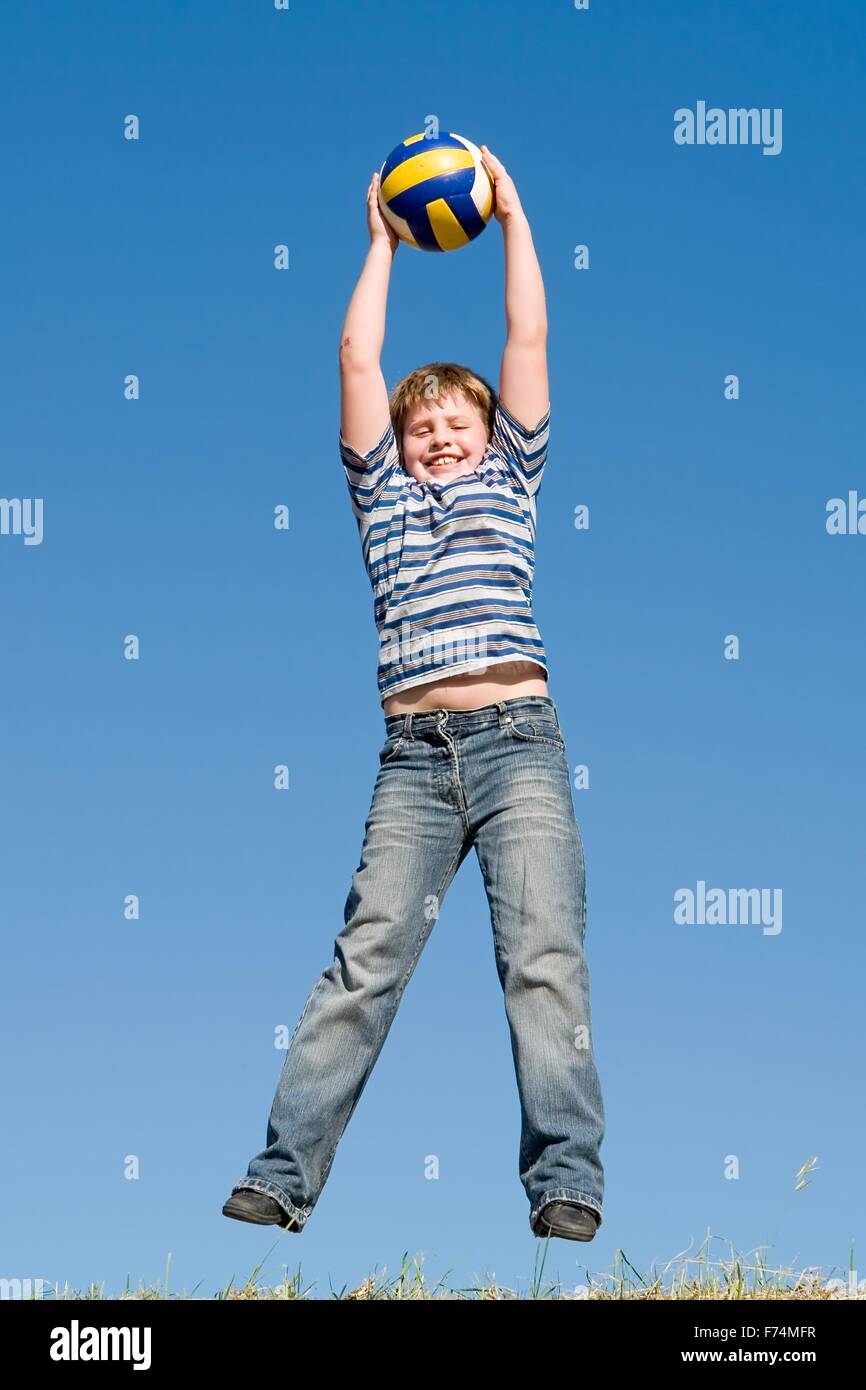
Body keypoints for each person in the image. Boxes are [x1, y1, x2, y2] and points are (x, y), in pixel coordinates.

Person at [223, 145, 605, 1241]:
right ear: (398, 442)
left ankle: (566, 1182)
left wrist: (516, 216)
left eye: (458, 423)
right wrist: (382, 242)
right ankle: (281, 1174)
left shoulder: (511, 478)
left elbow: (524, 338)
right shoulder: (380, 499)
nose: (440, 433)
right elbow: (355, 353)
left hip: (518, 739)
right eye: (422, 422)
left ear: (491, 439)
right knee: (366, 959)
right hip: (412, 760)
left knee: (542, 961)